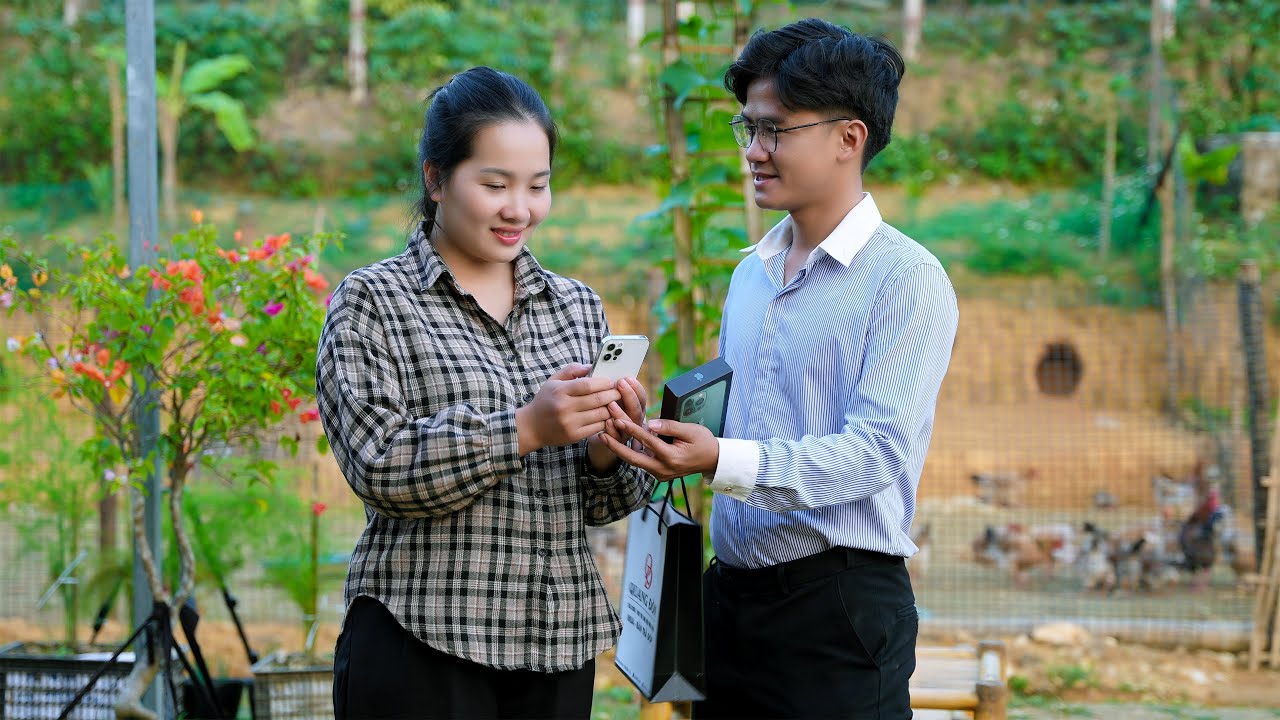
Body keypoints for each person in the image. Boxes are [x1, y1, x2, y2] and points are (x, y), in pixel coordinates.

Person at [601, 19, 959, 719]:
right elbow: (741, 425)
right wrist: (657, 435)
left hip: (836, 614)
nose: (754, 152)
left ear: (848, 138)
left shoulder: (905, 279)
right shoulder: (753, 272)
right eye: (748, 129)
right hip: (730, 604)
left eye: (775, 130)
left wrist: (721, 459)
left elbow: (876, 453)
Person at [316, 66, 654, 720]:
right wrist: (525, 428)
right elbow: (379, 466)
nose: (519, 209)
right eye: (495, 184)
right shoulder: (373, 302)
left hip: (558, 651)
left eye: (538, 186)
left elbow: (601, 503)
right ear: (435, 179)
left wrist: (611, 451)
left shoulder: (576, 308)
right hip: (423, 644)